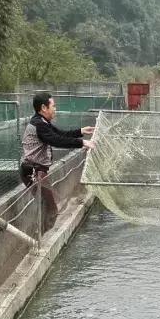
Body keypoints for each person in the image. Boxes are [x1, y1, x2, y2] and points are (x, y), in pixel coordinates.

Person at [22, 92, 95, 230]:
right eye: (53, 106)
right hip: (33, 172)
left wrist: (80, 131)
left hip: (36, 171)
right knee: (51, 208)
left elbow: (60, 134)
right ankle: (42, 236)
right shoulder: (39, 124)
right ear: (44, 108)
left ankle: (41, 232)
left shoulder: (42, 122)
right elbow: (56, 140)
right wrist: (82, 143)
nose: (55, 109)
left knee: (47, 205)